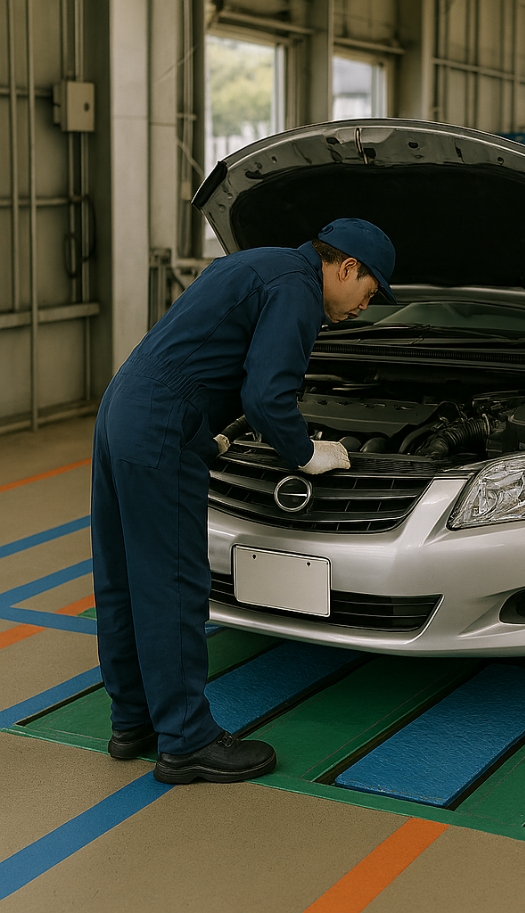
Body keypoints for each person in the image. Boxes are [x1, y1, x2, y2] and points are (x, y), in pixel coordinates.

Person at [91, 218, 395, 784]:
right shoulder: (298, 288)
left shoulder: (260, 263)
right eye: (368, 292)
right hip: (159, 428)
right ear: (346, 267)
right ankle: (186, 741)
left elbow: (195, 356)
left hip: (122, 408)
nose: (363, 307)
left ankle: (132, 721)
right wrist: (305, 453)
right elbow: (265, 395)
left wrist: (207, 439)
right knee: (172, 585)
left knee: (122, 577)